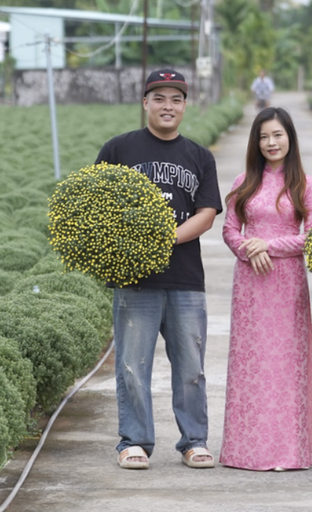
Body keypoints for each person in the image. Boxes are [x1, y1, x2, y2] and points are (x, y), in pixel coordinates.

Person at [95, 68, 222, 470]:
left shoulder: (199, 156)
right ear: (145, 103)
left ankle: (194, 440)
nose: (168, 106)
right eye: (160, 98)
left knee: (191, 369)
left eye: (176, 99)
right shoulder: (118, 150)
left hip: (185, 279)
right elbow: (95, 204)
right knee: (133, 366)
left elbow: (206, 214)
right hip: (134, 282)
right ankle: (134, 442)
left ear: (185, 105)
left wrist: (162, 238)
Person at [220, 107, 312, 471]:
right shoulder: (242, 182)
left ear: (290, 138)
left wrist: (268, 246)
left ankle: (287, 453)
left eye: (277, 135)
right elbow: (230, 230)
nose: (271, 142)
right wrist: (248, 249)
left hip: (287, 284)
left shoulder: (306, 185)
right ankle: (245, 451)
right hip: (250, 285)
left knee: (285, 365)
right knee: (252, 365)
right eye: (264, 136)